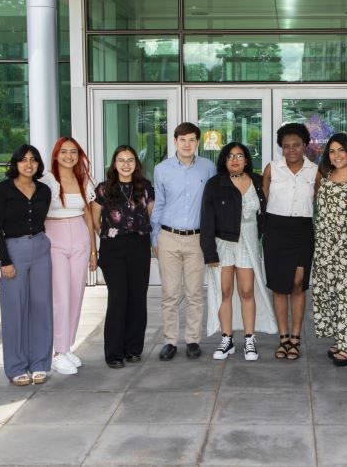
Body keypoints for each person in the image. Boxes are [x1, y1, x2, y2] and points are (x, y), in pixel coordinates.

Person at [200, 142, 277, 360]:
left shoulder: (257, 181)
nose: (235, 160)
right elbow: (207, 219)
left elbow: (266, 213)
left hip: (248, 242)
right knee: (224, 291)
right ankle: (227, 339)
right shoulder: (215, 184)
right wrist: (209, 252)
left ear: (246, 160)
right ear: (224, 160)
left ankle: (249, 340)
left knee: (247, 291)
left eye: (239, 155)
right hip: (223, 243)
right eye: (230, 156)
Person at [151, 122, 216, 361]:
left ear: (197, 142)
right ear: (175, 141)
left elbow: (211, 204)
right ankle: (170, 341)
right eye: (182, 140)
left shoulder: (208, 168)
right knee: (169, 293)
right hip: (168, 237)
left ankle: (192, 340)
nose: (187, 144)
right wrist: (154, 237)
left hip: (196, 239)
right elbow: (159, 204)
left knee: (194, 293)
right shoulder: (162, 169)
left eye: (191, 140)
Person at [0, 144, 54, 386]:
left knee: (41, 305)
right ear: (15, 163)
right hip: (14, 250)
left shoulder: (44, 190)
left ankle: (40, 363)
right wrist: (4, 261)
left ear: (38, 164)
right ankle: (16, 366)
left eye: (33, 160)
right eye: (23, 159)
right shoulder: (3, 190)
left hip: (40, 248)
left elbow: (41, 219)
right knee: (14, 308)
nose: (29, 164)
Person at [93, 145, 155, 368]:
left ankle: (133, 349)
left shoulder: (145, 187)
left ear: (136, 164)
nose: (126, 164)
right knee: (118, 298)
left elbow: (150, 215)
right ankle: (114, 353)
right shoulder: (103, 189)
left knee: (138, 298)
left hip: (139, 245)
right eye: (121, 160)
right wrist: (109, 235)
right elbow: (95, 219)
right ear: (114, 163)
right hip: (113, 249)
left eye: (130, 160)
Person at [263, 123, 319, 360]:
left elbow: (317, 199)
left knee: (297, 284)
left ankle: (295, 338)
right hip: (275, 230)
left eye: (296, 145)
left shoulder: (315, 171)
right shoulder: (272, 169)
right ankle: (283, 338)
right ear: (281, 148)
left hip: (302, 231)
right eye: (286, 146)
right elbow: (266, 196)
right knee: (279, 286)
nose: (291, 149)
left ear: (305, 145)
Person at [41, 137, 97, 376]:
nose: (69, 156)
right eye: (64, 151)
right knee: (60, 297)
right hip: (55, 239)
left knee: (76, 294)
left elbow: (88, 216)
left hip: (80, 238)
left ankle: (67, 346)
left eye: (73, 152)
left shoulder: (83, 179)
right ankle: (58, 351)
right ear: (56, 154)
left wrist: (93, 250)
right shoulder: (46, 180)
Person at [312, 133, 347, 367]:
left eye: (341, 150)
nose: (337, 155)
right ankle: (341, 338)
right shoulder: (326, 177)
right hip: (325, 247)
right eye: (332, 151)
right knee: (331, 293)